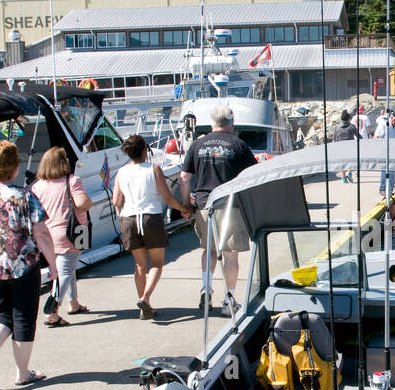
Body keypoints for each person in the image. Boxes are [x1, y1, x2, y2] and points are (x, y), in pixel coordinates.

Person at [0, 139, 58, 388]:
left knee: (2, 314)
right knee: (23, 318)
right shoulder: (24, 196)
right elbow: (40, 232)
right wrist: (52, 263)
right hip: (22, 265)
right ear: (15, 167)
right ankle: (22, 373)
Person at [180, 105, 257, 315]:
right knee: (230, 254)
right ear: (231, 123)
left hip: (205, 204)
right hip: (231, 205)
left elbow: (185, 178)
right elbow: (252, 177)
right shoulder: (239, 145)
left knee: (210, 250)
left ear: (212, 123)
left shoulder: (197, 145)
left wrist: (186, 204)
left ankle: (206, 288)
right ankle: (229, 300)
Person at [113, 134, 191, 320]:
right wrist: (185, 209)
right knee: (156, 263)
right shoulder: (153, 168)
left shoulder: (121, 172)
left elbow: (116, 200)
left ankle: (143, 308)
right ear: (145, 150)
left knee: (140, 265)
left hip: (129, 219)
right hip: (150, 217)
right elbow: (167, 197)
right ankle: (145, 298)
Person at [31, 146, 94, 325]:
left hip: (47, 235)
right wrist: (87, 202)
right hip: (70, 234)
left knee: (69, 268)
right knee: (64, 272)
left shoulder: (37, 186)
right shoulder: (72, 181)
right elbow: (82, 203)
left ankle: (73, 303)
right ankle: (52, 310)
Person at [373, 108, 395, 194]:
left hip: (394, 151)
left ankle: (390, 187)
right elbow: (376, 136)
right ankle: (383, 189)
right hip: (384, 150)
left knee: (393, 170)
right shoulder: (384, 125)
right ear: (391, 117)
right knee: (385, 170)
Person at [333, 109, 363, 183]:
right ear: (349, 119)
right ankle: (349, 173)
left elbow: (335, 138)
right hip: (350, 146)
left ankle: (343, 178)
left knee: (342, 162)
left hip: (340, 147)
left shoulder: (337, 127)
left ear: (341, 118)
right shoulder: (351, 127)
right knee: (351, 161)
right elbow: (359, 137)